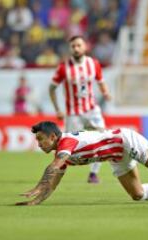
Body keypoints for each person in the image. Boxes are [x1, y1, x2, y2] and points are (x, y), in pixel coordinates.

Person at [15, 121, 148, 206]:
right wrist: (35, 202)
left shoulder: (66, 143)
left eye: (41, 138)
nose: (39, 143)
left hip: (123, 140)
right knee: (137, 195)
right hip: (115, 156)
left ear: (53, 136)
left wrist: (36, 186)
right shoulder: (61, 155)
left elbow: (52, 169)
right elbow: (54, 181)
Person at [49, 35, 111, 184]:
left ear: (85, 47)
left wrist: (106, 93)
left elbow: (101, 81)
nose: (76, 48)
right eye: (73, 46)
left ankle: (93, 174)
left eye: (78, 45)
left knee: (103, 139)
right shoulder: (64, 68)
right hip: (73, 114)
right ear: (70, 49)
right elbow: (52, 88)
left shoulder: (93, 64)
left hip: (92, 110)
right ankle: (54, 171)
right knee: (67, 146)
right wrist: (57, 109)